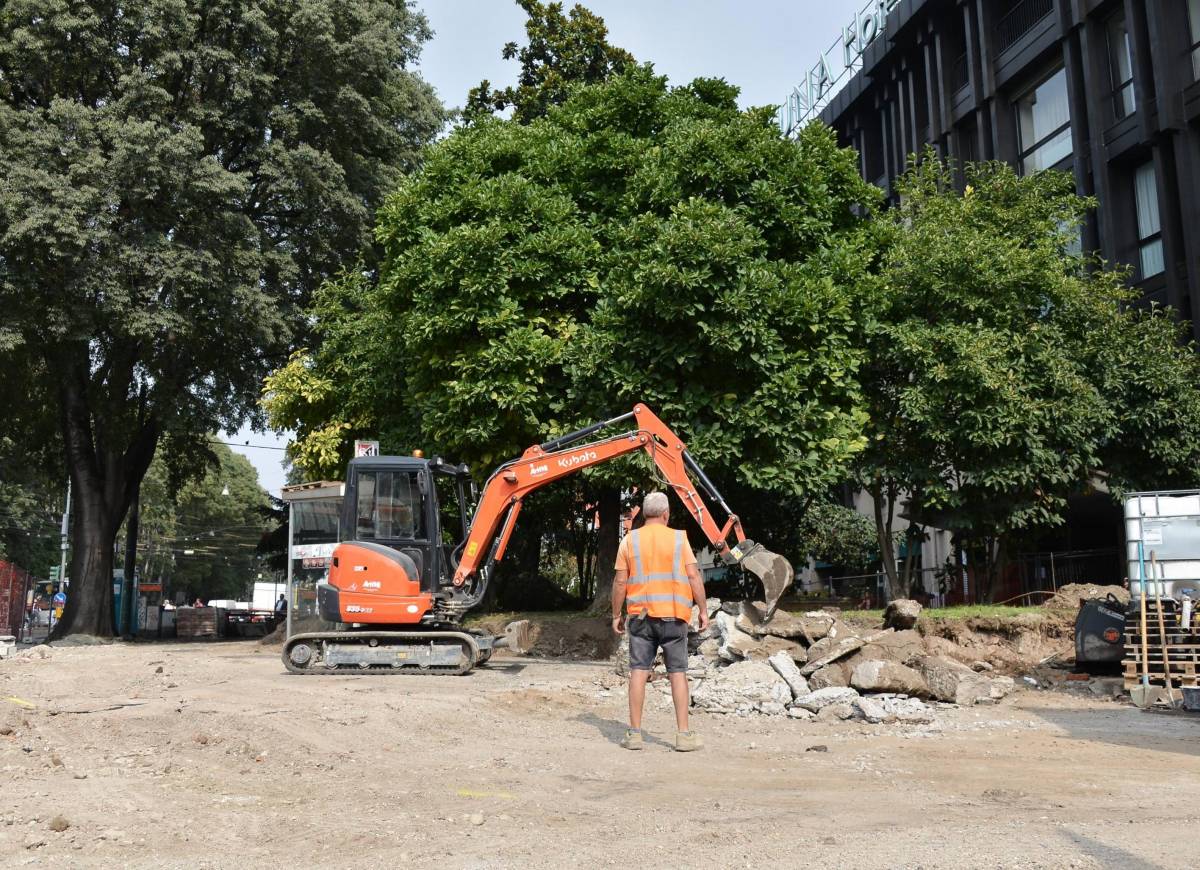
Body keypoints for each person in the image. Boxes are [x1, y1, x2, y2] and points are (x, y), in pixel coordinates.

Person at [611, 491, 709, 752]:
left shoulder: (630, 540)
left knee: (639, 672)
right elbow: (693, 577)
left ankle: (634, 734)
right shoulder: (679, 539)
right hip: (674, 616)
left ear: (643, 514)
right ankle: (684, 735)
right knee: (678, 673)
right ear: (666, 514)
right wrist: (702, 610)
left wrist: (616, 614)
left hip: (641, 617)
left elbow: (620, 581)